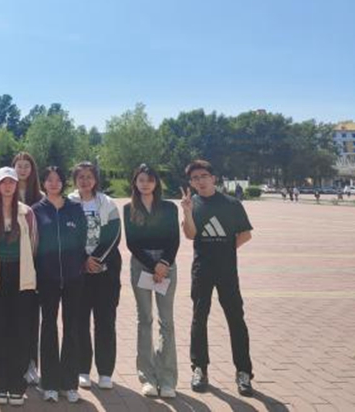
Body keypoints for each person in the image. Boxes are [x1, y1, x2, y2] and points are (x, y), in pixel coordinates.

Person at [181, 159, 254, 397]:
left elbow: (245, 234)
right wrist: (187, 212)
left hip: (227, 271)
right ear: (191, 183)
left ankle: (244, 372)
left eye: (204, 176)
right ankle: (199, 368)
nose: (200, 181)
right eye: (195, 178)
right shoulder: (193, 204)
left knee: (236, 319)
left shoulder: (231, 204)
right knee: (199, 318)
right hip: (202, 270)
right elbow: (190, 235)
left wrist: (225, 250)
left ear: (213, 178)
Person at [0, 167, 39, 406]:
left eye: (11, 182)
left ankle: (16, 384)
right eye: (3, 182)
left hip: (21, 277)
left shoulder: (27, 212)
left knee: (20, 329)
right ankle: (0, 382)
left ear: (16, 185)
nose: (7, 186)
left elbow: (34, 243)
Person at [123, 164, 180, 399]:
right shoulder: (129, 208)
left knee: (166, 321)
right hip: (141, 265)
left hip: (166, 265)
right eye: (141, 180)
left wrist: (164, 263)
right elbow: (132, 242)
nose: (145, 184)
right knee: (144, 319)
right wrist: (152, 265)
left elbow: (174, 239)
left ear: (156, 183)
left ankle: (167, 379)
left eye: (149, 180)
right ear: (135, 183)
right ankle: (147, 377)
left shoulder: (169, 208)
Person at [33, 166, 87, 403]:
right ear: (43, 183)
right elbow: (33, 244)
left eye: (57, 180)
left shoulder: (75, 208)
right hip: (47, 279)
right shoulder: (36, 211)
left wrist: (77, 264)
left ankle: (69, 383)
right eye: (49, 180)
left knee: (72, 328)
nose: (53, 183)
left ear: (63, 183)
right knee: (48, 327)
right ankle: (50, 383)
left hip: (74, 278)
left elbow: (82, 239)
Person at [68, 161, 122, 391]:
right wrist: (83, 259)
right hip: (78, 273)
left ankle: (105, 372)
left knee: (105, 321)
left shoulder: (107, 203)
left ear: (96, 179)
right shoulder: (69, 202)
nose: (85, 181)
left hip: (105, 273)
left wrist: (96, 259)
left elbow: (114, 235)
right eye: (80, 177)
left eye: (89, 176)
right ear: (75, 180)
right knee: (79, 321)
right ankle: (82, 369)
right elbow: (67, 234)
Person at [12, 152, 44, 386]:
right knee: (10, 314)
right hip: (10, 262)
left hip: (33, 264)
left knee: (32, 315)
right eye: (19, 166)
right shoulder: (6, 194)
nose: (22, 170)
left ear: (32, 170)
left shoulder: (40, 199)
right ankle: (9, 362)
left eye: (26, 166)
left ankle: (31, 363)